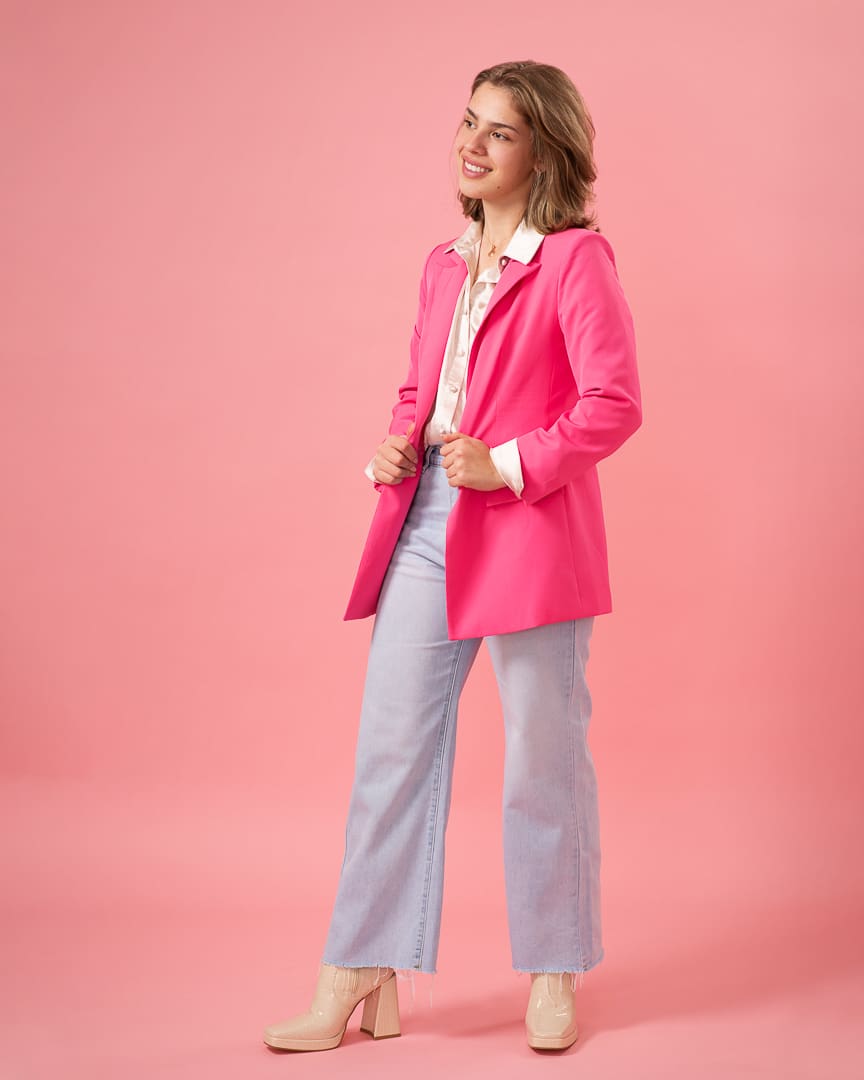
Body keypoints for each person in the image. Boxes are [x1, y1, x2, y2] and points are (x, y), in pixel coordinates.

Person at [263, 59, 642, 1054]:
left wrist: (508, 463)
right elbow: (417, 389)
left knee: (540, 760)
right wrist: (399, 443)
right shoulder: (444, 261)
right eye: (468, 123)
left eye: (499, 132)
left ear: (543, 151)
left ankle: (554, 970)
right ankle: (357, 965)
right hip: (426, 520)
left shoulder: (574, 260)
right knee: (389, 751)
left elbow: (613, 403)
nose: (471, 144)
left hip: (528, 526)